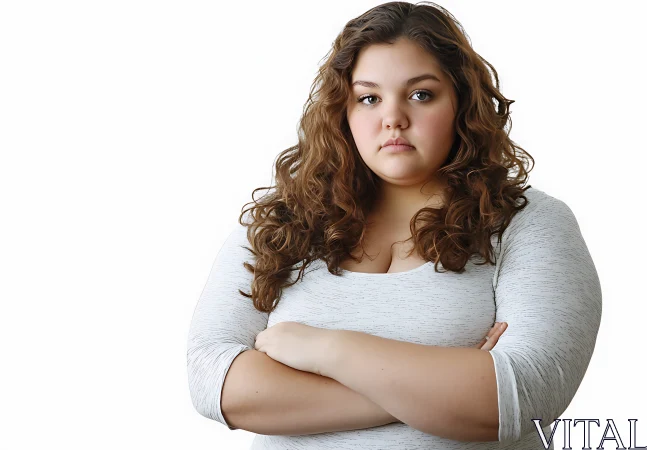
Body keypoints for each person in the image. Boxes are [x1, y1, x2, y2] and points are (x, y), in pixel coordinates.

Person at [186, 1, 602, 449]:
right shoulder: (280, 224)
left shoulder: (530, 224)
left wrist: (323, 350)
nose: (393, 118)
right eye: (369, 98)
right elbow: (215, 381)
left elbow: (522, 397)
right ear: (342, 111)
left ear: (462, 102)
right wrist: (442, 386)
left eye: (421, 94)